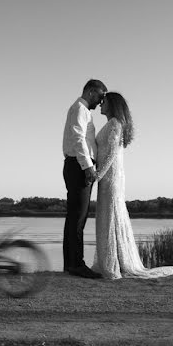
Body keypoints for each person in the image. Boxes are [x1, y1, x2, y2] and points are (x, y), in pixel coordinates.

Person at [91, 92, 173, 279]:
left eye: (104, 102)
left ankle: (113, 265)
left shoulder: (114, 124)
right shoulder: (114, 123)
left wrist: (97, 175)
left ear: (112, 105)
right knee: (109, 216)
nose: (101, 105)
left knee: (110, 216)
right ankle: (112, 260)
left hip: (110, 177)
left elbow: (110, 154)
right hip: (108, 177)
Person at [62, 79, 107, 279]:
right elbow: (78, 138)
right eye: (99, 96)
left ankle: (71, 264)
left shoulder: (82, 110)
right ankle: (77, 265)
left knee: (75, 217)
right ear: (90, 92)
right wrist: (88, 167)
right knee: (78, 218)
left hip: (77, 166)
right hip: (78, 167)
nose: (100, 102)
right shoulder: (79, 109)